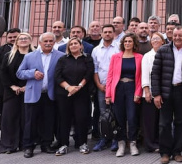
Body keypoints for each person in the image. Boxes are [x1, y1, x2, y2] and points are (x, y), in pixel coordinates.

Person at [152, 26, 182, 163]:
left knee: (181, 122)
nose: (177, 38)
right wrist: (156, 94)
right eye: (175, 35)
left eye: (180, 35)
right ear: (171, 36)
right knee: (164, 123)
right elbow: (155, 73)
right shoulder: (163, 50)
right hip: (166, 91)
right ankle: (165, 153)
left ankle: (177, 151)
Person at [17, 32, 62, 158]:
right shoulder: (29, 56)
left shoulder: (61, 56)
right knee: (30, 122)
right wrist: (32, 73)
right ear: (40, 43)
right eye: (45, 41)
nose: (48, 43)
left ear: (54, 42)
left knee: (48, 121)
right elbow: (19, 73)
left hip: (50, 94)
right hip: (33, 94)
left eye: (50, 41)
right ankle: (29, 147)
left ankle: (46, 144)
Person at [53, 38, 94, 155]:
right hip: (64, 94)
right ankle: (63, 144)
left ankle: (82, 144)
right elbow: (58, 76)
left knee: (81, 118)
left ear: (81, 46)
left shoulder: (87, 58)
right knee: (64, 119)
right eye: (71, 44)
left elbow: (89, 73)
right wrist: (69, 88)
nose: (73, 45)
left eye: (76, 43)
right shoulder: (63, 59)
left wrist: (78, 87)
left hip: (82, 93)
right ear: (68, 47)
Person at [106, 33, 143, 156]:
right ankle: (121, 144)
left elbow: (141, 77)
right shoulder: (115, 57)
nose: (127, 43)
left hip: (132, 87)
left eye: (130, 41)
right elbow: (110, 76)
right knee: (119, 117)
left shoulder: (139, 57)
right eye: (125, 41)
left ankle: (132, 143)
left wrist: (138, 92)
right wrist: (108, 94)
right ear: (123, 44)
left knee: (132, 117)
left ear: (134, 44)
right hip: (118, 88)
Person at [0, 32, 33, 154]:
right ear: (16, 42)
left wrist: (26, 87)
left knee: (26, 118)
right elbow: (3, 73)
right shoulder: (9, 55)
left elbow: (38, 72)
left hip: (29, 91)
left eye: (26, 38)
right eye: (21, 38)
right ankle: (9, 145)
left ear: (30, 41)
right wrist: (12, 86)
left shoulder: (34, 55)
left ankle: (25, 144)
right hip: (11, 91)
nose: (23, 40)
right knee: (9, 118)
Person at [92, 24, 119, 152]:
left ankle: (115, 139)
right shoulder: (96, 50)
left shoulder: (119, 48)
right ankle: (103, 138)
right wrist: (98, 85)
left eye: (110, 32)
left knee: (116, 113)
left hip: (116, 87)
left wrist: (111, 86)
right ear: (101, 34)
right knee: (103, 113)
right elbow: (95, 69)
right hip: (101, 87)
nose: (107, 34)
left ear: (114, 34)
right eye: (105, 32)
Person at [141, 33, 165, 153]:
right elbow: (144, 74)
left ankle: (161, 142)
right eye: (153, 39)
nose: (155, 40)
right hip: (150, 92)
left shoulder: (166, 54)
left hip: (164, 92)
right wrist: (146, 91)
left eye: (158, 38)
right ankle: (150, 144)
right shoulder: (147, 56)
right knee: (150, 120)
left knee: (161, 120)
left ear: (163, 41)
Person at [0, 28, 19, 129]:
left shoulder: (29, 49)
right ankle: (4, 135)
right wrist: (9, 76)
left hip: (20, 87)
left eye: (15, 37)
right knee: (3, 112)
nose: (12, 39)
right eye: (10, 37)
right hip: (2, 88)